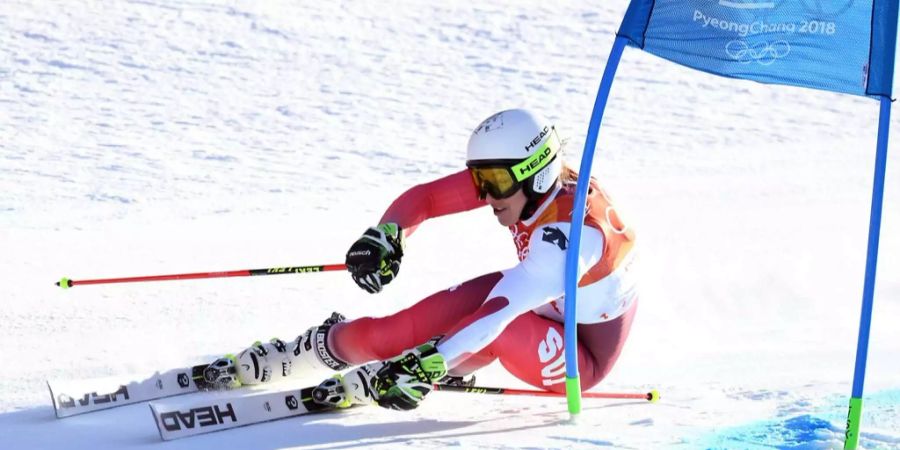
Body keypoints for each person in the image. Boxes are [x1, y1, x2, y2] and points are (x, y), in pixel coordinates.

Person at [204, 108, 639, 411]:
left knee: (493, 329)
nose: (484, 194)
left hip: (580, 354)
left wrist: (430, 361)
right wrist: (388, 234)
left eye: (494, 181)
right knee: (400, 328)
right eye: (478, 179)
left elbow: (501, 310)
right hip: (540, 298)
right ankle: (307, 350)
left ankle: (427, 367)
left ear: (537, 171)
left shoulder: (568, 239)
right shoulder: (521, 182)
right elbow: (428, 198)